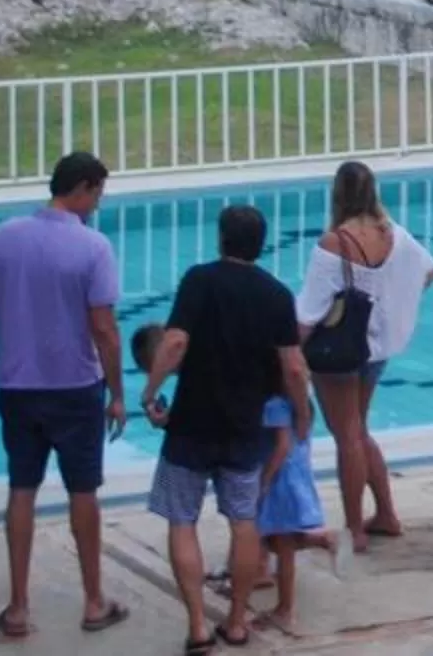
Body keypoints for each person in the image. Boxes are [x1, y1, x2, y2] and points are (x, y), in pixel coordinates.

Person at [0, 151, 130, 638]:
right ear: (84, 188)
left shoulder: (4, 237)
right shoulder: (93, 247)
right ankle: (94, 601)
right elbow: (105, 330)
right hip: (76, 389)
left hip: (18, 388)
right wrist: (117, 393)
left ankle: (18, 607)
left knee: (22, 489)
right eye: (98, 194)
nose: (98, 204)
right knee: (83, 493)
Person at [137, 205, 309, 655]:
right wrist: (302, 412)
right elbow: (293, 367)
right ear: (261, 244)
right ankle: (235, 622)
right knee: (244, 521)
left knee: (182, 520)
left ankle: (197, 626)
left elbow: (175, 341)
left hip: (191, 424)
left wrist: (150, 391)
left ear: (221, 238)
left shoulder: (200, 280)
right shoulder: (276, 295)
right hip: (245, 428)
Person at [138, 328, 341, 640]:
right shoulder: (263, 381)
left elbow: (282, 444)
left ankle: (267, 604)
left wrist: (266, 478)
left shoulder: (270, 400)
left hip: (265, 466)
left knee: (262, 532)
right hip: (254, 455)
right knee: (252, 523)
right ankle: (242, 610)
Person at [294, 158, 433, 548]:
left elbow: (308, 314)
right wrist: (390, 304)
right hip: (375, 349)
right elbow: (429, 271)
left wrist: (289, 353)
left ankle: (355, 528)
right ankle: (386, 514)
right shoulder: (394, 234)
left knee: (347, 435)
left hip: (338, 351)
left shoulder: (334, 244)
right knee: (358, 430)